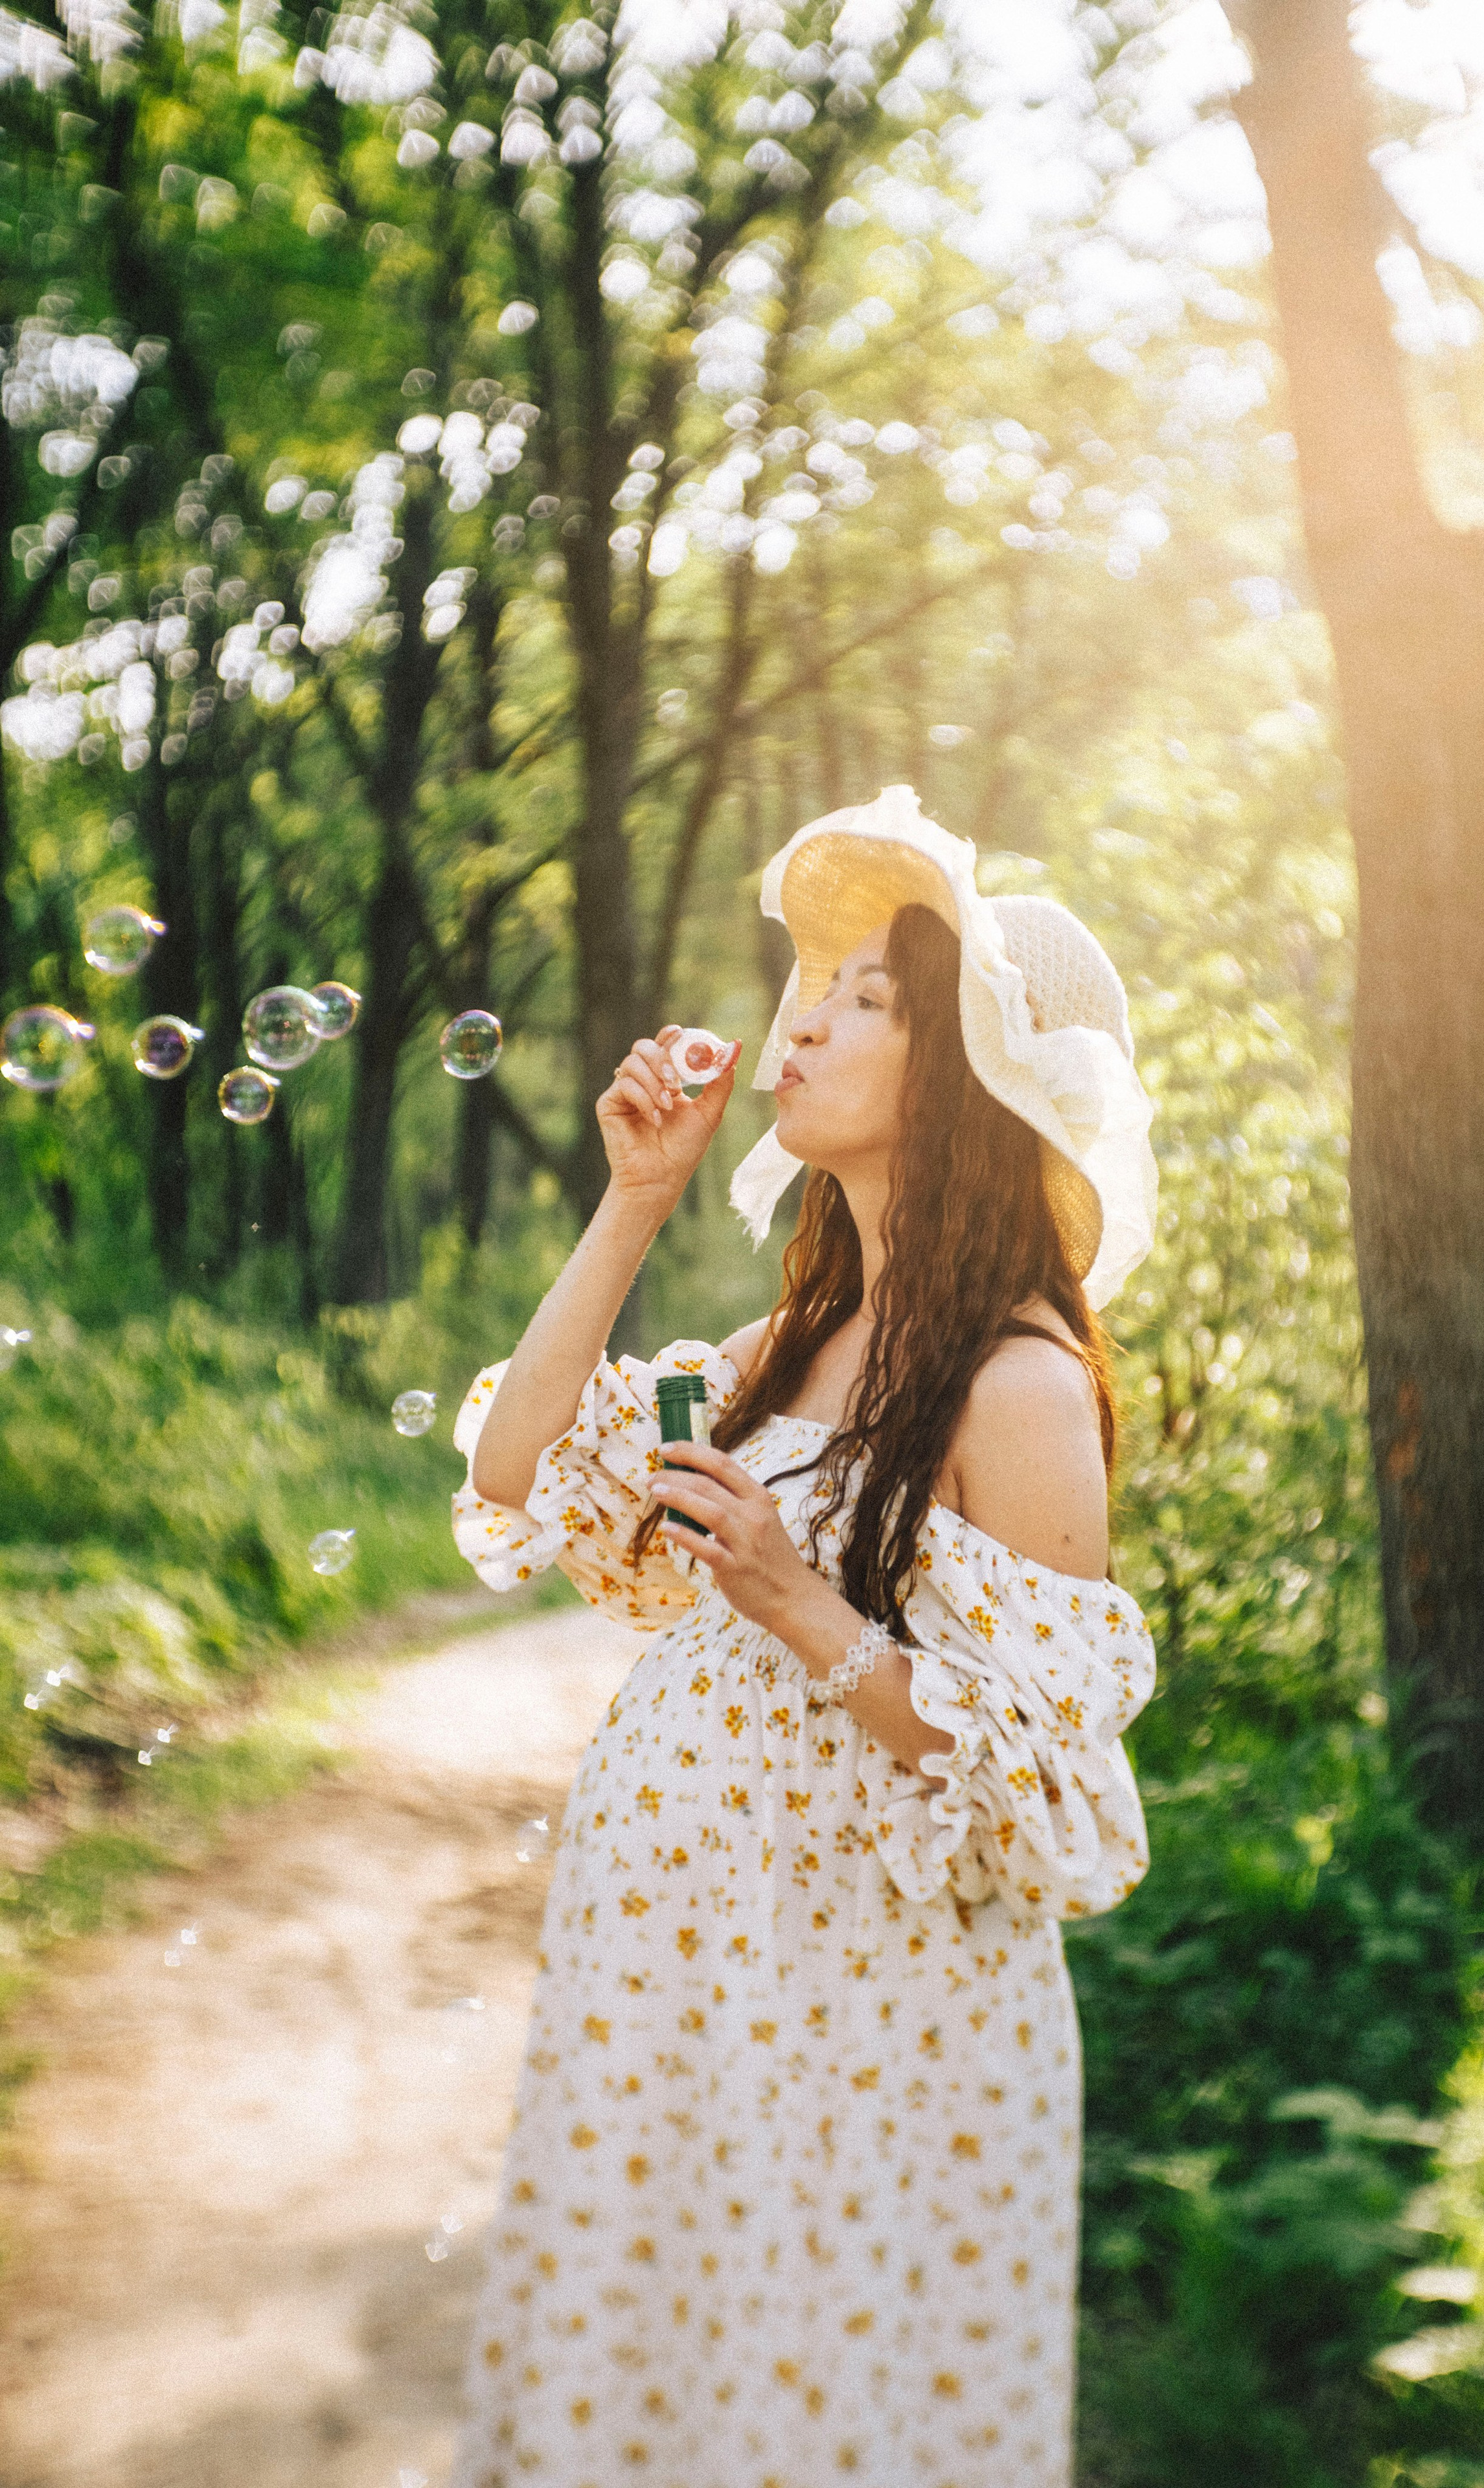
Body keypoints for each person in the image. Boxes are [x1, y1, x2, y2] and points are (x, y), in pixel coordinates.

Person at [448, 785, 1159, 2488]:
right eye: (808, 979)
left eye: (867, 992)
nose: (803, 1014)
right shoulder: (794, 1337)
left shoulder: (1022, 1384)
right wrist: (633, 1199)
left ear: (983, 1069)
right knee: (650, 2416)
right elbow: (516, 1468)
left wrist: (797, 1602)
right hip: (680, 2019)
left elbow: (1049, 1789)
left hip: (868, 2044)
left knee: (828, 2434)